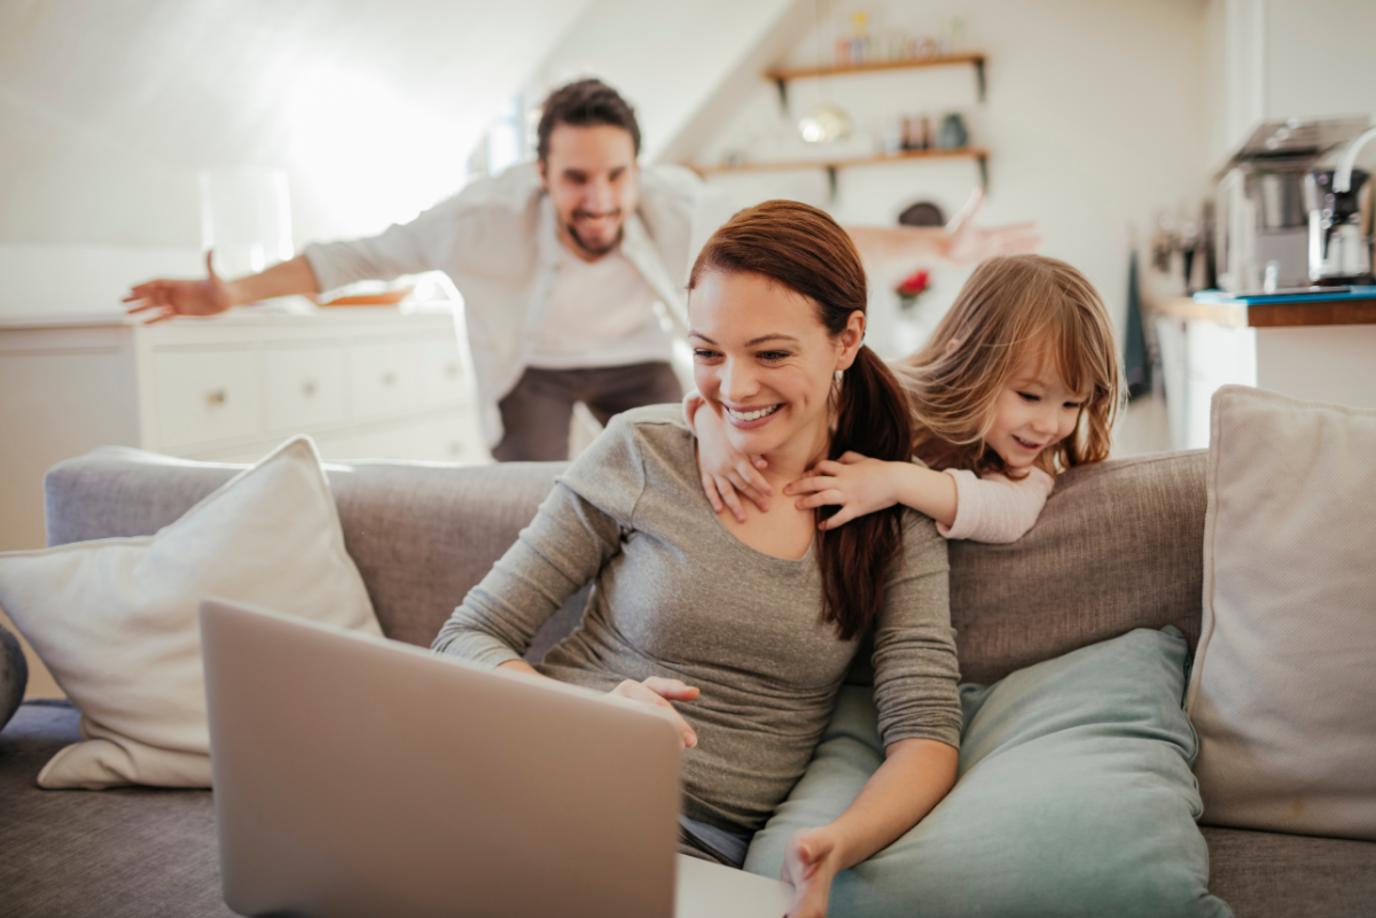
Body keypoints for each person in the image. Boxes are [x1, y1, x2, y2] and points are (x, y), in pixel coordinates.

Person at [431, 200, 961, 918]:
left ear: (847, 340)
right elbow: (465, 637)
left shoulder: (890, 514)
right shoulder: (645, 451)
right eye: (709, 353)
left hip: (686, 846)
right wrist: (586, 713)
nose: (734, 389)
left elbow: (925, 736)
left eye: (770, 353)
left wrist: (839, 841)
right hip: (530, 775)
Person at [123, 78, 1040, 462]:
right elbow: (350, 256)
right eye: (576, 179)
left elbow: (816, 239)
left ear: (637, 170)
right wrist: (231, 292)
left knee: (684, 459)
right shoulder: (478, 221)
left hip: (634, 352)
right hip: (529, 366)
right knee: (525, 486)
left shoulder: (680, 205)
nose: (598, 199)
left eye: (614, 176)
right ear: (542, 175)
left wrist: (937, 248)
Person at [689, 254, 1121, 542]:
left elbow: (1010, 513)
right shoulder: (888, 392)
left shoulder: (1029, 463)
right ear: (967, 364)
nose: (1050, 424)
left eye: (1072, 404)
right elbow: (733, 394)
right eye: (1030, 396)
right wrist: (712, 431)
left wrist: (893, 481)